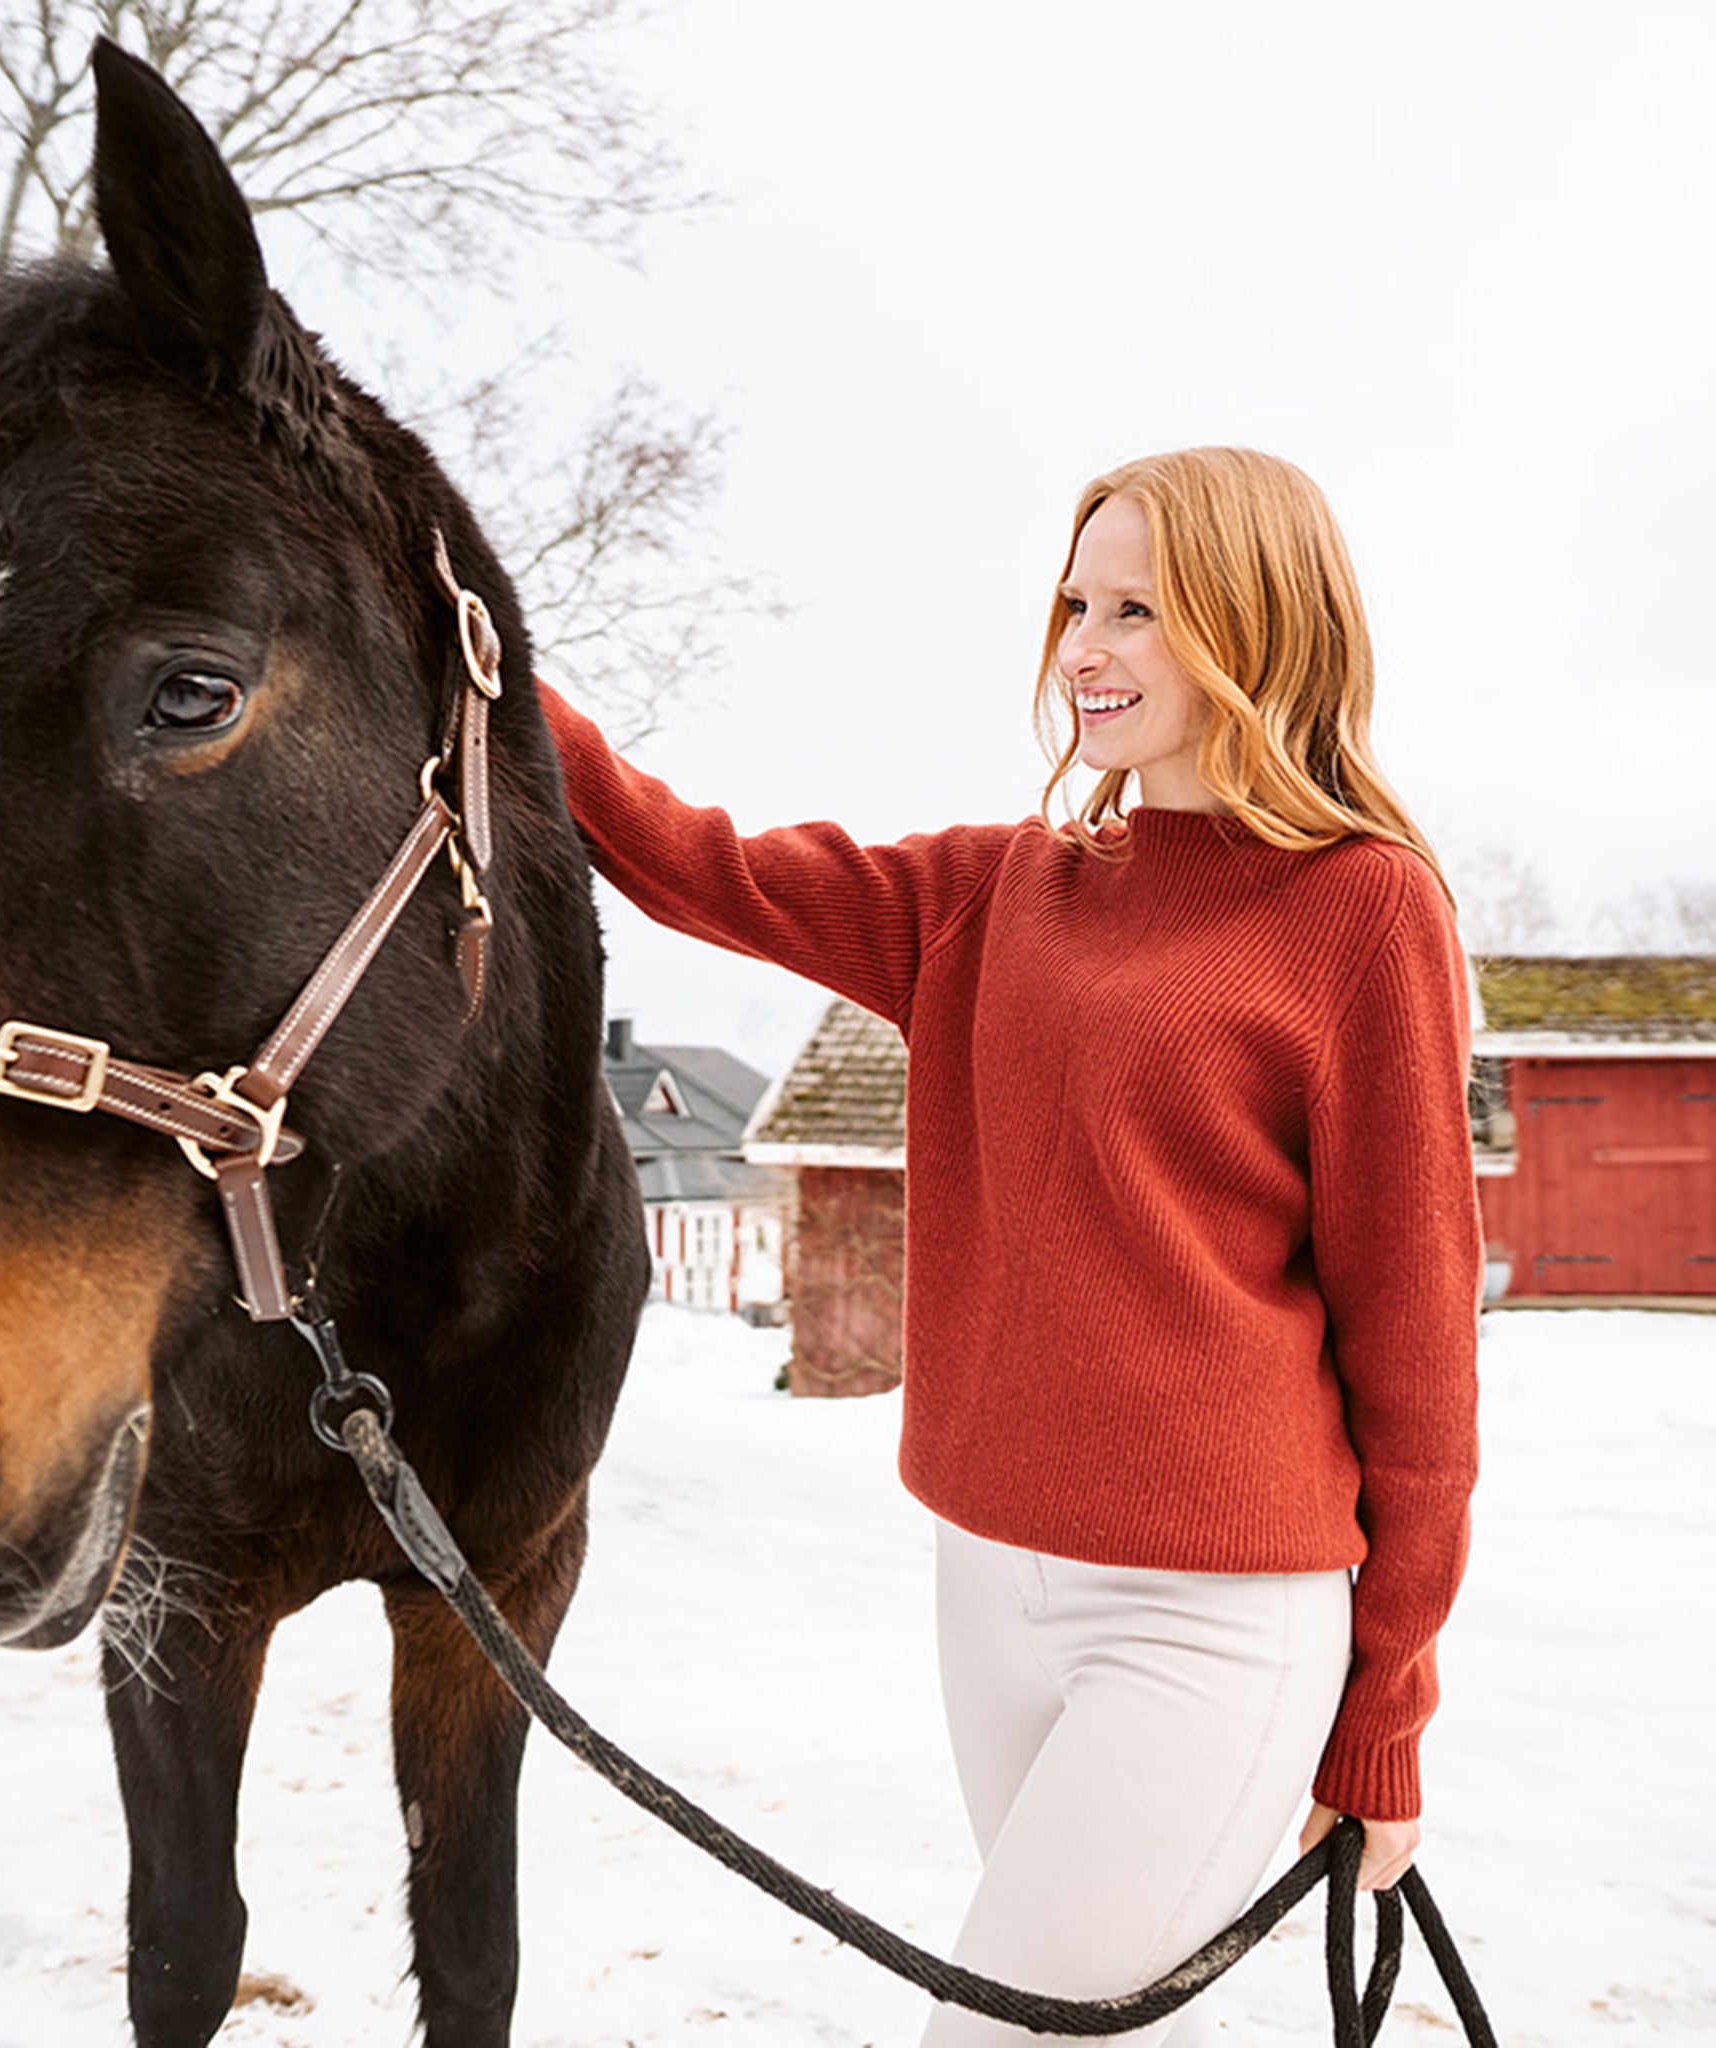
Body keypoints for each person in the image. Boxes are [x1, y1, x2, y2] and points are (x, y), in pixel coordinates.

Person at [536, 445, 1481, 2045]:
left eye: (1140, 611)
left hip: (1215, 1619)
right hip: (988, 1583)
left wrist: (1384, 1705)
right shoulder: (991, 894)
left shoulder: (1363, 911)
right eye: (1074, 604)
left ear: (1261, 631)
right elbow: (688, 858)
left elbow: (1418, 1338)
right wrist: (467, 640)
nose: (1085, 650)